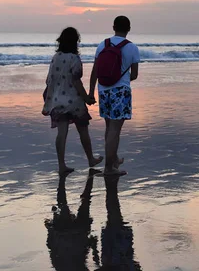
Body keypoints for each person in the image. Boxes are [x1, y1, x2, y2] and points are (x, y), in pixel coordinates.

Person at [43, 27, 104, 175]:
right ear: (75, 42)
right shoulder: (74, 59)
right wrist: (87, 98)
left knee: (61, 133)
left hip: (58, 100)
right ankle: (90, 159)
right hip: (74, 101)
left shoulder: (55, 57)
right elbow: (77, 82)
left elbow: (49, 80)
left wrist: (48, 98)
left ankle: (61, 165)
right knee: (83, 130)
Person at [88, 16, 140, 176]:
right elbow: (135, 75)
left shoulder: (102, 44)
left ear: (113, 27)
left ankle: (114, 159)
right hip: (121, 91)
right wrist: (122, 79)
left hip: (103, 90)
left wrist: (91, 92)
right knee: (115, 129)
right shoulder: (132, 48)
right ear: (129, 28)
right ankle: (109, 168)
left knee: (109, 127)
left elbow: (95, 71)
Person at [45, 170, 102, 270]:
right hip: (66, 234)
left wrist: (93, 247)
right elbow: (50, 247)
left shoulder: (61, 267)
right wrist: (50, 228)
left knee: (84, 202)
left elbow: (52, 248)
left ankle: (90, 176)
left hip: (76, 234)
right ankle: (64, 179)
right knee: (63, 204)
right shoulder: (59, 267)